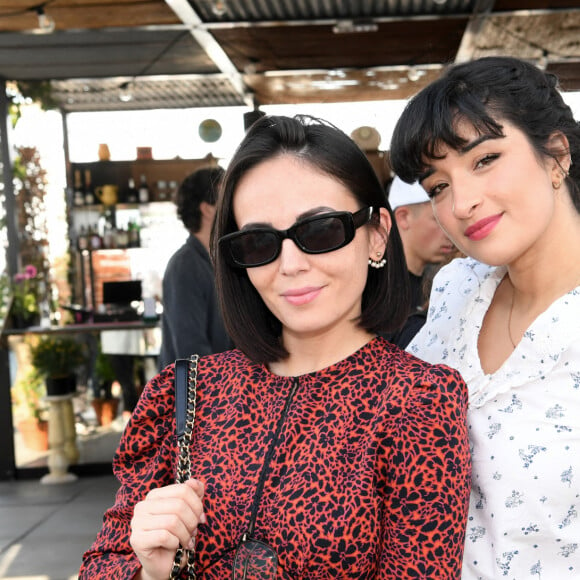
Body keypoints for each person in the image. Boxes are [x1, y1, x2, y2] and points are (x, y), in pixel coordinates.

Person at [79, 114, 471, 579]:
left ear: (377, 233)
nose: (290, 264)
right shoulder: (187, 392)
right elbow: (102, 566)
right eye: (259, 242)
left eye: (321, 230)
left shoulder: (418, 401)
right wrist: (149, 571)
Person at [389, 56, 580, 578]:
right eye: (438, 187)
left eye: (484, 159)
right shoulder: (458, 292)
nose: (462, 204)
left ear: (556, 155)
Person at [157, 166, 232, 371]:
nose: (234, 205)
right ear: (207, 208)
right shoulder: (184, 267)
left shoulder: (221, 260)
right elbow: (192, 351)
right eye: (226, 197)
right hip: (198, 398)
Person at [382, 175, 456, 348]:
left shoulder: (437, 283)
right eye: (438, 219)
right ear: (403, 218)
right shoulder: (380, 292)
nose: (450, 231)